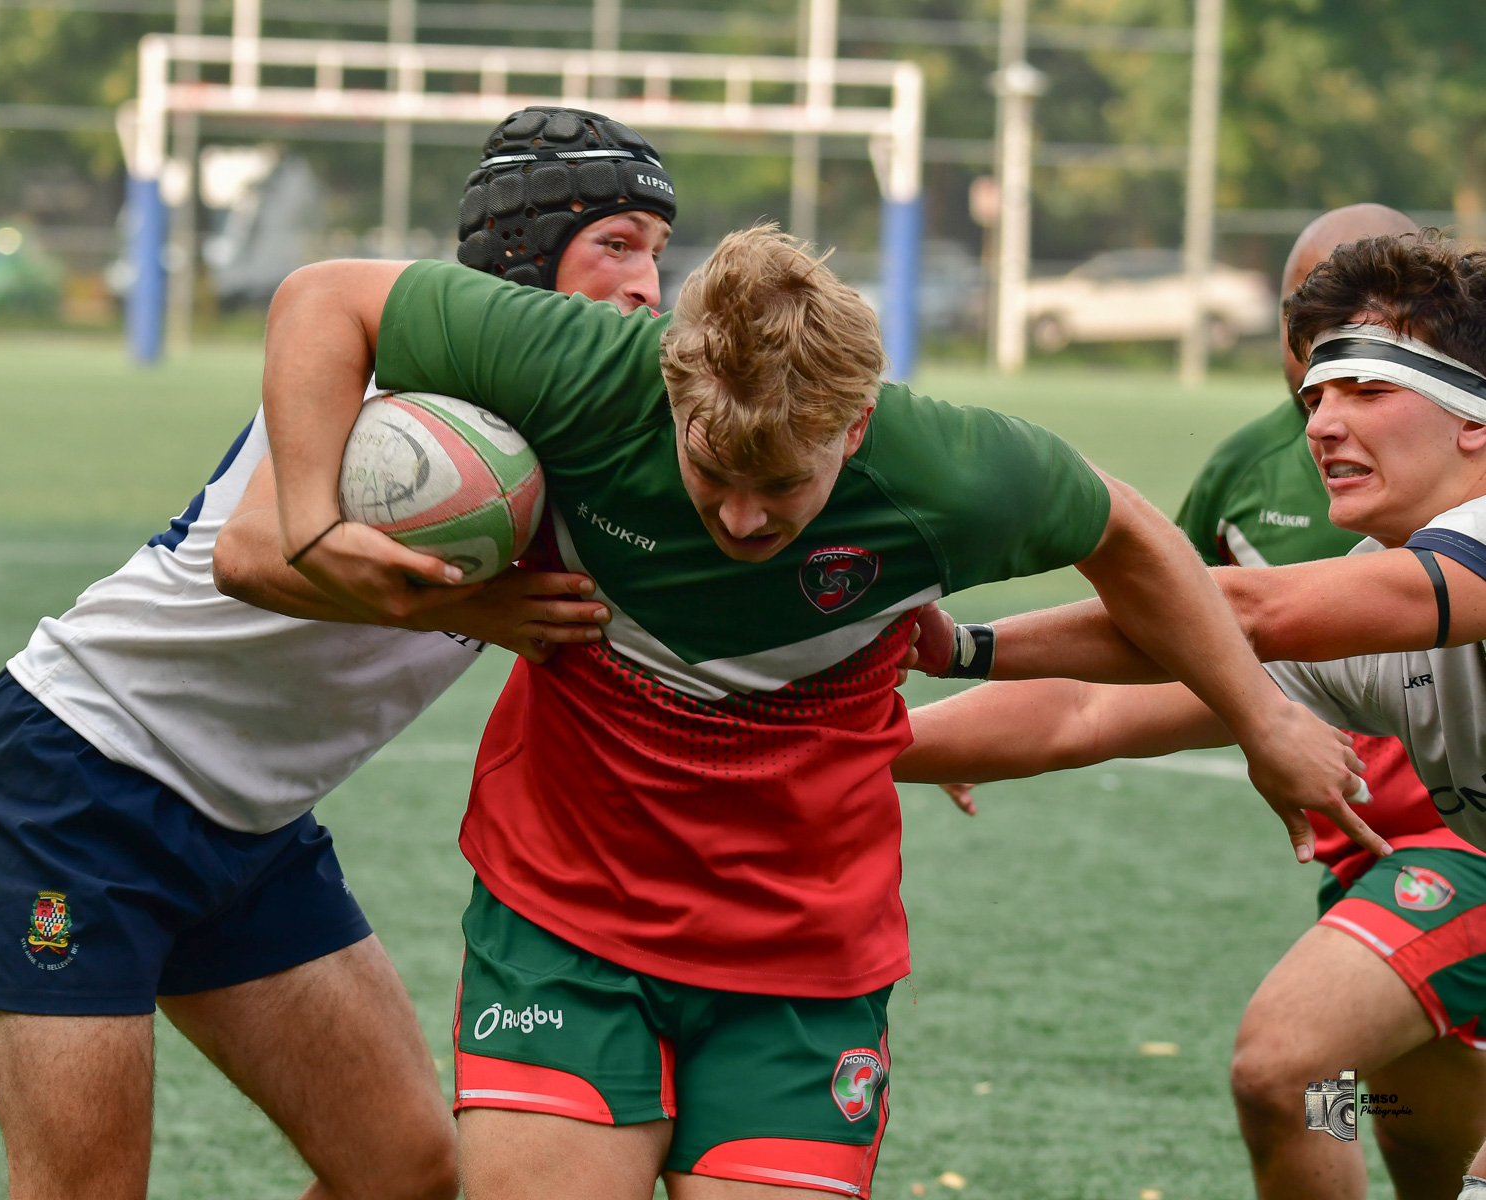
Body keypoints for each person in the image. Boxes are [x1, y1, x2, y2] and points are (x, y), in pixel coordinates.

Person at [259, 221, 1368, 1198]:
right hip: (563, 925)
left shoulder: (950, 472)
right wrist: (310, 521)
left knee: (1369, 1104)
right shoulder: (585, 369)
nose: (743, 518)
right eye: (712, 471)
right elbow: (324, 297)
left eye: (783, 484)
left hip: (800, 960)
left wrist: (1263, 721)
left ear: (855, 427)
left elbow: (1125, 534)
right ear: (674, 395)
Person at [0, 106, 672, 1200]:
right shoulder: (397, 386)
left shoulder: (589, 439)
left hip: (252, 831)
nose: (647, 286)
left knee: (404, 1174)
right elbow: (252, 556)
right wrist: (475, 610)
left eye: (658, 254)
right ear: (523, 249)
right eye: (616, 245)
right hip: (76, 780)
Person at [899, 230, 1486, 1200]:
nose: (1322, 424)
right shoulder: (1330, 548)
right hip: (1369, 872)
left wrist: (985, 616)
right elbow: (1096, 705)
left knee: (1303, 1068)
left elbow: (1237, 612)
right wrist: (845, 730)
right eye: (1315, 395)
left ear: (1474, 419)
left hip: (1442, 869)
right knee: (1329, 1085)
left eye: (1366, 391)